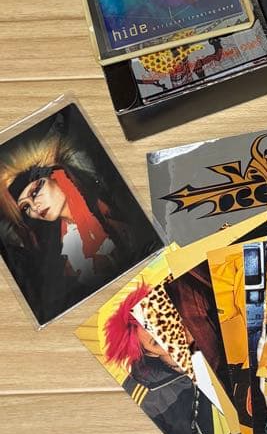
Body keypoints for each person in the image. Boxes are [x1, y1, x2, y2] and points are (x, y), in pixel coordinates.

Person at [0, 112, 156, 324]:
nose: (34, 207)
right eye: (25, 207)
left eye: (35, 192)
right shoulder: (60, 251)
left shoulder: (106, 197)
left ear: (55, 176)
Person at [104, 282, 217, 434]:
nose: (169, 338)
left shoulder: (204, 327)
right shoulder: (149, 398)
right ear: (150, 353)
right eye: (156, 341)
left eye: (163, 324)